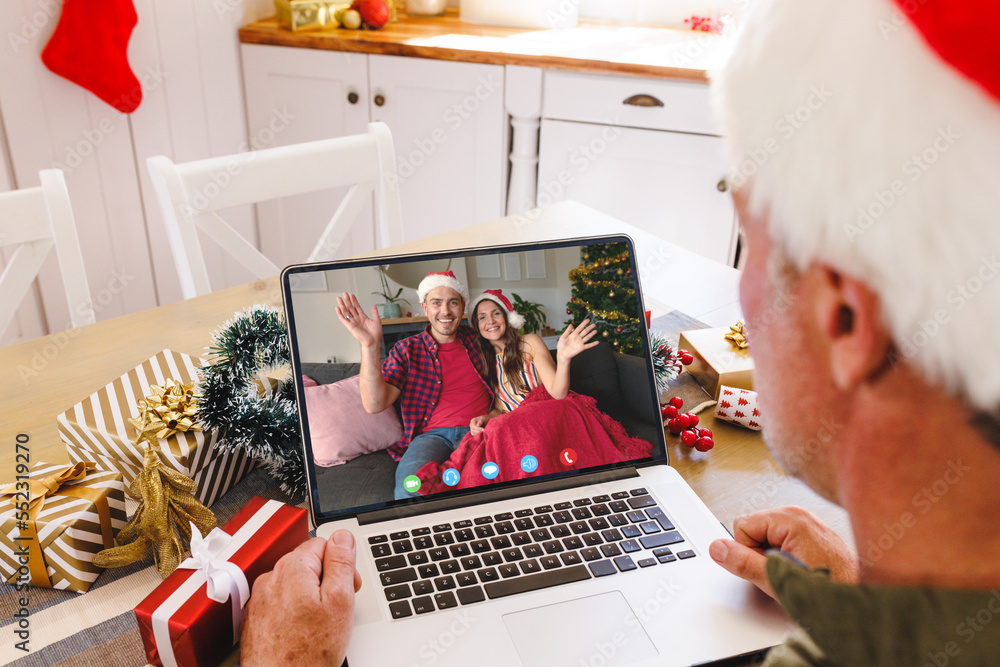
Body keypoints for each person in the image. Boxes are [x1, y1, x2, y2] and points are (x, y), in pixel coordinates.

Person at [242, 0, 1000, 664]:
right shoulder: (410, 347)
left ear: (845, 320)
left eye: (753, 241)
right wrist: (859, 592)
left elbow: (528, 389)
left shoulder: (494, 345)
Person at [334, 270, 493, 499]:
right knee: (411, 489)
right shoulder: (406, 350)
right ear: (425, 308)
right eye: (436, 303)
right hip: (431, 438)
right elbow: (374, 404)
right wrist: (369, 345)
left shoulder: (482, 341)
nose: (446, 311)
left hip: (481, 432)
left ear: (463, 306)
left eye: (453, 303)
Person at [465, 289, 598, 435]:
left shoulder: (529, 342)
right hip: (518, 425)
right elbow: (502, 409)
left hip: (548, 417)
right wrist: (487, 417)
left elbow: (558, 394)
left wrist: (563, 359)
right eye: (482, 317)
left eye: (496, 313)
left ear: (507, 317)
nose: (491, 321)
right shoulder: (483, 360)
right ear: (477, 325)